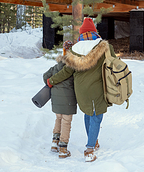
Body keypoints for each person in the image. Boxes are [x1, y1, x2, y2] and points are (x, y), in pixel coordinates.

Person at [47, 18, 112, 162]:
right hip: (98, 88)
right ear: (95, 32)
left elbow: (66, 72)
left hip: (80, 90)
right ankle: (89, 150)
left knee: (88, 113)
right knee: (96, 116)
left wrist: (52, 80)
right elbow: (114, 63)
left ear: (81, 34)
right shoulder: (103, 46)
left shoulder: (74, 50)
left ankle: (93, 141)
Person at [43, 40, 77, 159]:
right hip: (68, 99)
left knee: (58, 119)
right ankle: (63, 148)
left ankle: (54, 144)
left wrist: (53, 86)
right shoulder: (73, 66)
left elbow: (45, 76)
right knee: (66, 122)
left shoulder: (57, 65)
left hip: (56, 99)